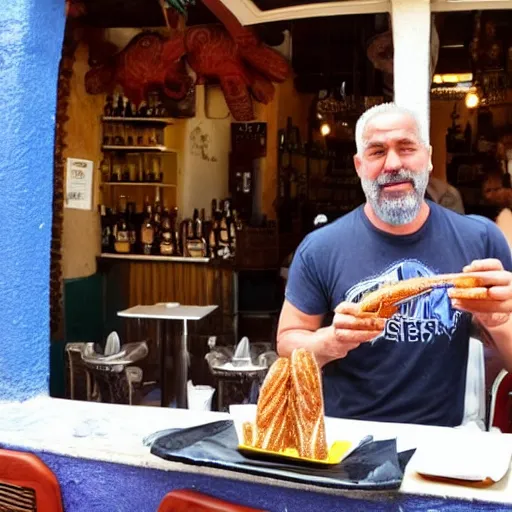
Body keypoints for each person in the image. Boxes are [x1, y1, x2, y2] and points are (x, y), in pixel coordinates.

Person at [277, 103, 512, 427]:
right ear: (359, 165)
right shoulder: (321, 247)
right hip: (346, 443)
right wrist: (330, 342)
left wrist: (499, 321)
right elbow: (288, 341)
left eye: (406, 148)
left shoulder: (480, 240)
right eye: (376, 152)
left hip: (440, 446)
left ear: (428, 157)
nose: (393, 164)